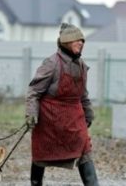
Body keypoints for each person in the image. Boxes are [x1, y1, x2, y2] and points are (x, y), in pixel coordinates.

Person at [25, 23, 99, 186]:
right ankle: (35, 183)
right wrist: (31, 114)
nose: (80, 43)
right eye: (76, 40)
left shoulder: (82, 66)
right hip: (50, 119)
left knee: (85, 149)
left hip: (74, 117)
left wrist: (89, 113)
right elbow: (34, 91)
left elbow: (83, 94)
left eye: (82, 41)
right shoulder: (51, 63)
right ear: (65, 42)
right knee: (40, 154)